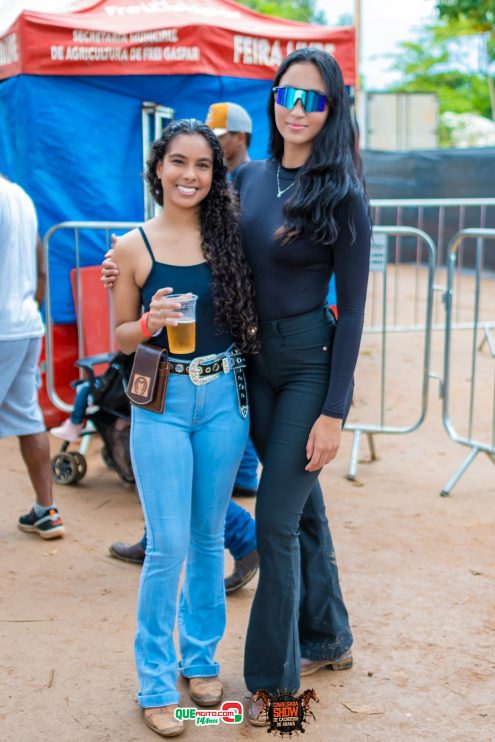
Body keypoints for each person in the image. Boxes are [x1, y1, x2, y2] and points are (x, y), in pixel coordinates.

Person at [234, 48, 371, 721]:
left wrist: (333, 413)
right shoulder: (248, 177)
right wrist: (130, 269)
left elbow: (353, 312)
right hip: (252, 366)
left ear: (331, 109)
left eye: (312, 101)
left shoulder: (342, 193)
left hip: (306, 365)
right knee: (303, 509)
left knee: (276, 520)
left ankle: (274, 684)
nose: (295, 110)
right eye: (286, 95)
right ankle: (329, 637)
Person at [110, 119, 258, 737]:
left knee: (204, 538)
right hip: (162, 400)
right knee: (167, 545)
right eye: (178, 162)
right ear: (159, 167)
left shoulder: (233, 236)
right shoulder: (130, 247)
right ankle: (153, 680)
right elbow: (117, 338)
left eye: (202, 165)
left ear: (214, 174)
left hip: (225, 397)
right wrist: (148, 321)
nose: (190, 175)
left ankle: (200, 661)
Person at [0, 174, 64, 539]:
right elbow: (41, 265)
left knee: (29, 418)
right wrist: (30, 310)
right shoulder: (20, 195)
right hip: (25, 325)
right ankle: (46, 510)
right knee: (28, 418)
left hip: (6, 327)